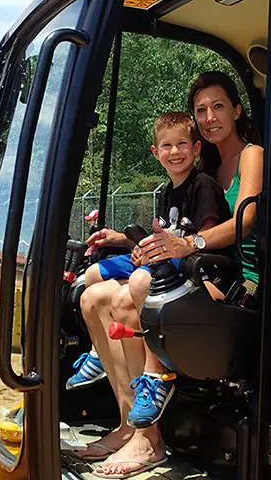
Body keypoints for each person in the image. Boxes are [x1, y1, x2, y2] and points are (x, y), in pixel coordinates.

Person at [84, 73, 264, 479]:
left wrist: (191, 245)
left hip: (239, 282)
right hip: (196, 270)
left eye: (218, 106)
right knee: (93, 298)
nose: (210, 116)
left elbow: (246, 221)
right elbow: (177, 227)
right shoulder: (205, 166)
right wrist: (125, 239)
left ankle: (150, 439)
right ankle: (128, 424)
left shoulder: (252, 154)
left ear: (236, 110)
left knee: (130, 298)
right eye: (201, 110)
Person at [73, 112, 231, 473]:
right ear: (155, 151)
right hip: (169, 267)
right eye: (167, 146)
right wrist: (138, 248)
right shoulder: (167, 193)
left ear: (195, 148)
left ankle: (154, 383)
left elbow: (199, 242)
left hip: (199, 275)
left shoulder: (203, 184)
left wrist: (161, 254)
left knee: (134, 289)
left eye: (181, 145)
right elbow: (165, 240)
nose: (175, 152)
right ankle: (128, 424)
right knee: (91, 292)